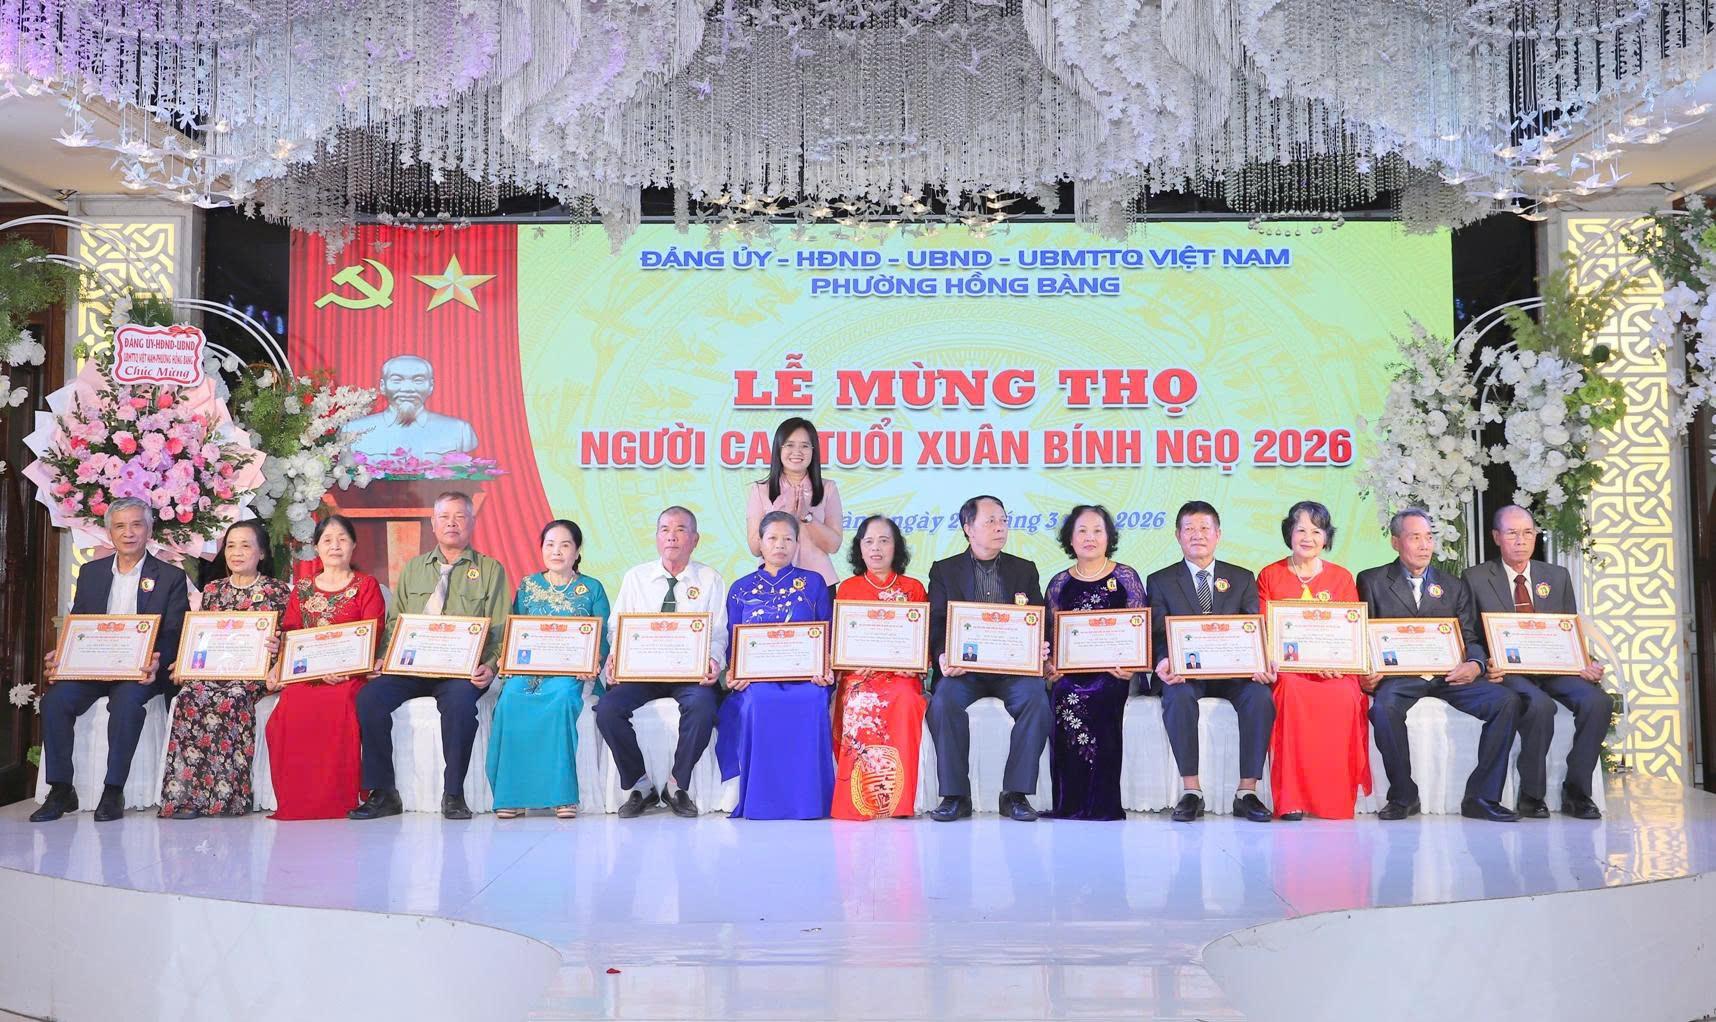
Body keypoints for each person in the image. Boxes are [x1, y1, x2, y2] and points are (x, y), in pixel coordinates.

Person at [350, 491, 509, 820]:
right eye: (444, 517)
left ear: (472, 523)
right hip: (412, 667)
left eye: (460, 516)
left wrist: (490, 666)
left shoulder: (491, 570)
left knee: (460, 706)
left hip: (459, 671)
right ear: (433, 524)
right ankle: (383, 793)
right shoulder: (414, 568)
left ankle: (454, 794)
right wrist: (383, 657)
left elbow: (499, 627)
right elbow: (395, 622)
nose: (452, 523)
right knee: (369, 698)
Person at [1356, 508, 1519, 823]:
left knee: (1506, 701)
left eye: (1429, 537)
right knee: (1383, 709)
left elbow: (1470, 636)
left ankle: (1482, 797)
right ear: (1395, 542)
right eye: (1415, 537)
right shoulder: (1372, 580)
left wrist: (1475, 664)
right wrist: (1367, 670)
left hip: (1449, 675)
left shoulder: (1453, 584)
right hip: (1400, 676)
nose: (1424, 545)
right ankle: (1403, 795)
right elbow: (1362, 634)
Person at [33, 498, 191, 823]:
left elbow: (175, 633)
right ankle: (61, 789)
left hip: (141, 670)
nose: (128, 533)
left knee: (126, 704)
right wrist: (63, 655)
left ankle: (113, 790)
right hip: (94, 668)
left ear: (149, 530)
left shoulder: (170, 577)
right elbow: (80, 625)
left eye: (136, 525)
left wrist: (156, 662)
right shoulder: (91, 573)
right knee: (54, 701)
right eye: (119, 526)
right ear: (109, 533)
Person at [1464, 504, 1611, 820]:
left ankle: (1577, 792)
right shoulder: (1475, 578)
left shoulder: (1556, 576)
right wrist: (1485, 662)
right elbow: (1470, 634)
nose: (1521, 540)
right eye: (1512, 533)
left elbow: (1569, 630)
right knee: (1540, 706)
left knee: (1598, 701)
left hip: (1555, 668)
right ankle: (1531, 794)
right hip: (1509, 670)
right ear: (1496, 537)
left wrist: (1585, 661)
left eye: (1528, 532)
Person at [1145, 501, 1276, 823]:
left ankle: (1247, 792)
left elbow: (1253, 629)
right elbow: (1158, 632)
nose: (1197, 535)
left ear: (1218, 534)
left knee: (1260, 697)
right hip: (1186, 673)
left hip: (1233, 674)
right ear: (1177, 536)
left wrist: (1262, 660)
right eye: (1189, 529)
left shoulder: (1242, 578)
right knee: (1177, 696)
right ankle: (1192, 791)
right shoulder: (1160, 580)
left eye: (1205, 528)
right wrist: (1163, 661)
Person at [597, 506, 729, 817]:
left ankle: (676, 785)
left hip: (689, 676)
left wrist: (713, 660)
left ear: (695, 540)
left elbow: (718, 633)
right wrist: (616, 657)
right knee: (607, 710)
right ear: (657, 538)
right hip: (642, 674)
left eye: (681, 530)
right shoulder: (636, 578)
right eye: (665, 530)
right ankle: (640, 785)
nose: (672, 536)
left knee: (703, 707)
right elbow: (617, 628)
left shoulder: (710, 579)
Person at [925, 495, 1051, 822]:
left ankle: (1015, 794)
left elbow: (1038, 619)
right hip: (964, 670)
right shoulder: (945, 570)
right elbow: (936, 621)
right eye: (991, 521)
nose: (1000, 527)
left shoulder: (1024, 569)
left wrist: (1039, 646)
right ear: (968, 528)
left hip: (1012, 670)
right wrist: (942, 655)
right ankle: (956, 795)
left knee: (1037, 700)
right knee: (943, 702)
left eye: (1003, 520)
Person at [159, 521, 291, 819]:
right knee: (190, 696)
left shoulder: (276, 590)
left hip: (253, 673)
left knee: (231, 697)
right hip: (214, 669)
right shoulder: (213, 591)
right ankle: (185, 797)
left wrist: (279, 644)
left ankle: (228, 798)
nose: (237, 552)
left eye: (245, 545)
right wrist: (185, 662)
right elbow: (201, 636)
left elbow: (290, 636)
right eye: (231, 546)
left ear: (261, 553)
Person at [717, 511, 837, 819]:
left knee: (813, 699)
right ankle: (762, 800)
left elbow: (827, 633)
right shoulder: (740, 588)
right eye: (772, 538)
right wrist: (734, 672)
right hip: (757, 681)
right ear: (759, 542)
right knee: (756, 702)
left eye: (788, 539)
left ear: (797, 543)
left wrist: (825, 668)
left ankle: (808, 800)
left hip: (805, 678)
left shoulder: (814, 583)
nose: (780, 545)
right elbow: (732, 640)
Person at [265, 515, 386, 820]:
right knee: (289, 707)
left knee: (341, 703)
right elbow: (291, 633)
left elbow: (372, 633)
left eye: (342, 539)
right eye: (327, 540)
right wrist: (280, 664)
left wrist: (346, 669)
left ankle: (336, 798)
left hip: (349, 675)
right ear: (316, 546)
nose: (335, 546)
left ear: (354, 545)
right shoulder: (303, 588)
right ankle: (297, 798)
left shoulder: (366, 585)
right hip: (308, 675)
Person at [1257, 501, 1372, 820]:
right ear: (1289, 533)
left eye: (1316, 531)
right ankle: (1291, 799)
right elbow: (1265, 629)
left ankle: (1334, 799)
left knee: (1345, 695)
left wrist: (1338, 660)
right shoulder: (1270, 575)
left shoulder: (1341, 577)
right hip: (1290, 671)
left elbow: (1350, 631)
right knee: (1289, 693)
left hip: (1333, 669)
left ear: (1326, 537)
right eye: (1301, 530)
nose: (1308, 537)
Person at [487, 520, 609, 819]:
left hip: (573, 673)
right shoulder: (528, 586)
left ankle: (561, 796)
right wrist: (507, 657)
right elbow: (516, 630)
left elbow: (603, 635)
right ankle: (513, 796)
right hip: (530, 671)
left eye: (565, 545)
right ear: (541, 549)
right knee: (510, 700)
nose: (557, 551)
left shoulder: (592, 588)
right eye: (550, 545)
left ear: (577, 552)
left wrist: (593, 661)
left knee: (562, 701)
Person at [1043, 505, 1147, 821]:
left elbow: (1139, 630)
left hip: (1115, 672)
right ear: (1070, 539)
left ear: (1108, 537)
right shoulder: (1059, 583)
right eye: (1082, 531)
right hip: (1070, 672)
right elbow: (1049, 637)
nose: (1090, 537)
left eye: (1097, 531)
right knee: (1063, 692)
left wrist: (1133, 666)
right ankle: (1069, 803)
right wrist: (1050, 665)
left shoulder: (1125, 577)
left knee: (1103, 693)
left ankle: (1103, 803)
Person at [831, 515, 928, 820]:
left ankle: (898, 800)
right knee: (857, 700)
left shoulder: (913, 588)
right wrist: (849, 662)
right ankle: (859, 798)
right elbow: (840, 641)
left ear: (896, 547)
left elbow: (923, 641)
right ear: (859, 548)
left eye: (884, 541)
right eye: (869, 541)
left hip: (900, 675)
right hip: (859, 675)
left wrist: (916, 665)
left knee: (907, 698)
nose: (876, 548)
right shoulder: (847, 589)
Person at [744, 416, 844, 584]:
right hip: (773, 582)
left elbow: (834, 545)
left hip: (818, 582)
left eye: (805, 446)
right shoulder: (761, 490)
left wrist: (807, 518)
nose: (797, 452)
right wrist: (782, 518)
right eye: (789, 445)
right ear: (778, 449)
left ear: (813, 451)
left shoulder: (828, 488)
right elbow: (755, 548)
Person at [346, 354, 479, 460]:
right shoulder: (353, 431)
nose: (407, 389)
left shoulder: (459, 431)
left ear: (431, 386)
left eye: (418, 380)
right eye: (397, 380)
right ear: (382, 386)